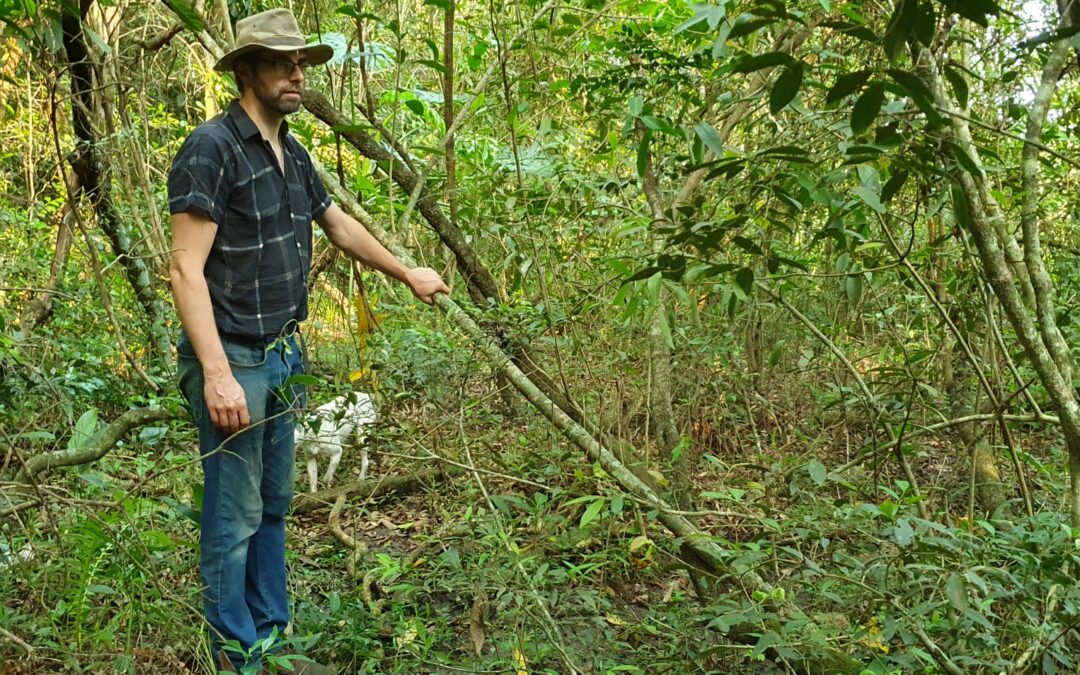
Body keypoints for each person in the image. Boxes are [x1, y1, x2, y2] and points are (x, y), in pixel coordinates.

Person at [167, 8, 449, 673]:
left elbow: (337, 224)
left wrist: (406, 270)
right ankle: (238, 656)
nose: (298, 74)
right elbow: (184, 267)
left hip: (283, 355)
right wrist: (215, 372)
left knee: (272, 506)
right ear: (246, 70)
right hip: (234, 359)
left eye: (302, 64)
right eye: (282, 63)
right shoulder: (211, 148)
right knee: (231, 518)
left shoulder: (290, 150)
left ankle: (271, 634)